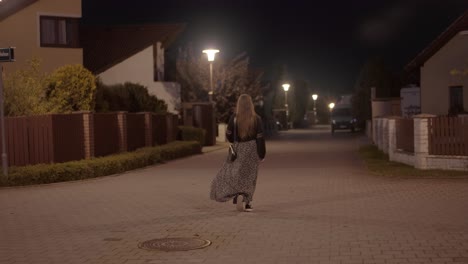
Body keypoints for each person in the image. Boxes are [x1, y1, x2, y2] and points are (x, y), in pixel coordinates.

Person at [210, 94, 266, 212]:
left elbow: (229, 135)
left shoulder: (234, 118)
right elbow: (260, 138)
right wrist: (261, 154)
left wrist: (234, 140)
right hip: (252, 149)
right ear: (250, 104)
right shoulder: (256, 119)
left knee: (236, 173)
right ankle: (246, 202)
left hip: (238, 148)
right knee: (250, 177)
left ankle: (237, 194)